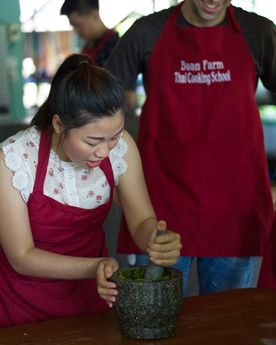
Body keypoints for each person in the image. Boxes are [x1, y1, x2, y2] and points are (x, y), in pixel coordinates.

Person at [105, 0, 276, 296]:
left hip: (234, 207)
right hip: (160, 210)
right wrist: (113, 179)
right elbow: (101, 106)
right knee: (158, 321)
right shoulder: (146, 33)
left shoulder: (258, 32)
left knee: (228, 326)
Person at [0, 53, 181, 327]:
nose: (105, 150)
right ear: (60, 125)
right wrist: (95, 266)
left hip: (93, 295)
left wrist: (155, 239)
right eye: (93, 140)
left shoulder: (120, 149)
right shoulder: (15, 160)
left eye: (115, 135)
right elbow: (22, 257)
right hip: (22, 305)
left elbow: (142, 219)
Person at [60, 0, 119, 66]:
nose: (75, 30)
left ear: (94, 15)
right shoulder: (89, 45)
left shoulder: (114, 46)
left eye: (78, 25)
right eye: (73, 26)